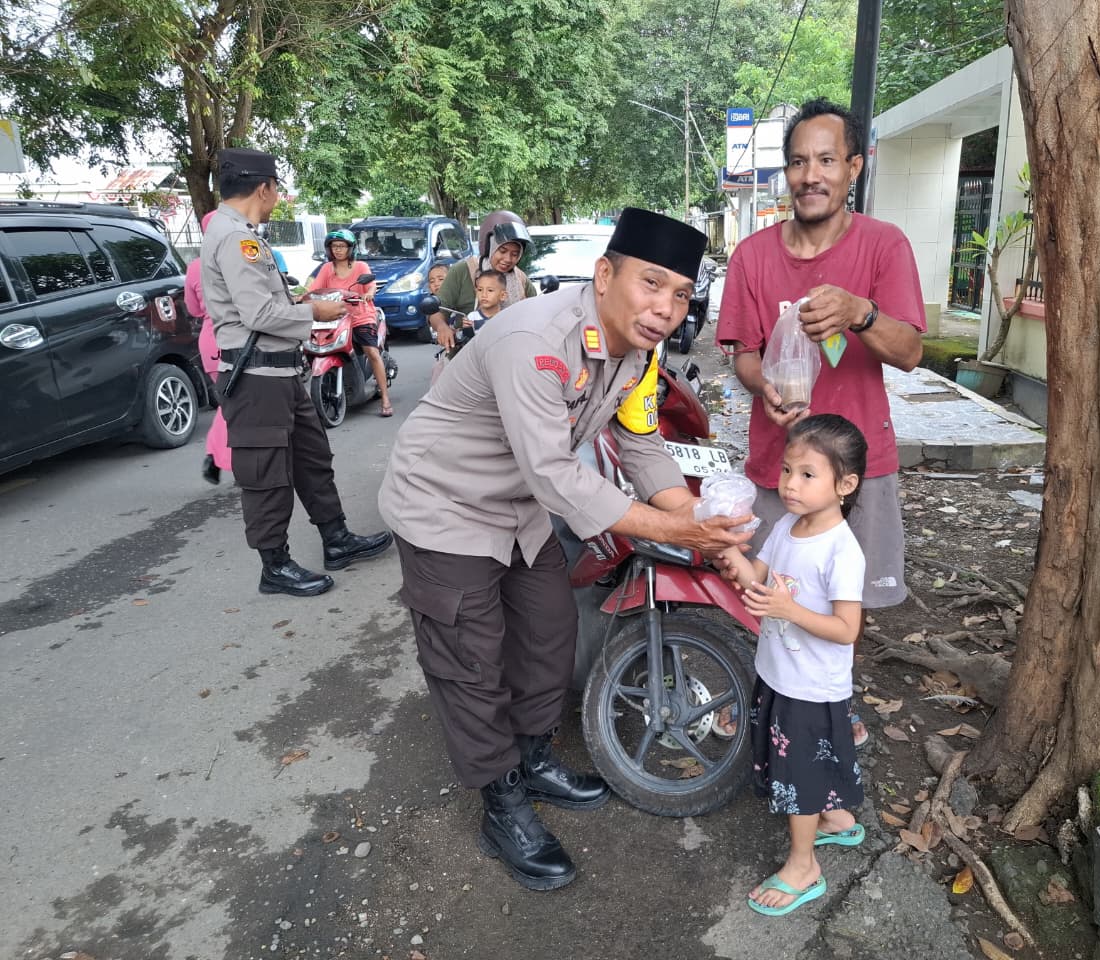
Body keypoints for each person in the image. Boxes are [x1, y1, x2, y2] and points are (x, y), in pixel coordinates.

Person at [379, 207, 754, 893]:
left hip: (517, 506)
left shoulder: (638, 352)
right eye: (651, 284)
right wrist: (677, 531)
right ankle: (501, 803)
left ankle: (531, 757)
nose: (666, 309)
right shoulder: (537, 340)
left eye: (680, 294)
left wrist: (700, 520)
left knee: (549, 633)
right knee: (472, 661)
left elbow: (640, 443)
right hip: (445, 506)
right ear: (605, 275)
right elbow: (555, 473)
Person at [716, 98, 926, 746]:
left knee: (844, 598)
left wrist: (861, 313)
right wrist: (765, 387)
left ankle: (835, 704)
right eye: (800, 162)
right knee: (765, 587)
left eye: (827, 160)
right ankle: (761, 698)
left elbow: (910, 352)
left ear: (853, 168)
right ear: (787, 172)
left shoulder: (884, 246)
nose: (812, 175)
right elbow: (743, 353)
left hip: (858, 470)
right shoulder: (752, 256)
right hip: (778, 464)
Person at [201, 147, 393, 597]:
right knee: (267, 474)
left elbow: (264, 302)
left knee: (312, 459)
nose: (276, 197)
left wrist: (301, 302)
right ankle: (275, 566)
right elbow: (259, 314)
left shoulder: (242, 234)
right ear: (264, 188)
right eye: (276, 189)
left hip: (282, 374)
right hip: (257, 378)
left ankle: (336, 539)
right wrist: (314, 312)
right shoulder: (236, 238)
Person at [718, 414, 868, 917]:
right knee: (809, 762)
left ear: (845, 485)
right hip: (779, 673)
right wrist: (728, 550)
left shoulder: (842, 551)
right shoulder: (786, 526)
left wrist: (790, 610)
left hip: (811, 687)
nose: (789, 484)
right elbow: (757, 581)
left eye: (807, 474)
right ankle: (836, 819)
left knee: (799, 774)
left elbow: (847, 629)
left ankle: (803, 867)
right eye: (786, 470)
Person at [308, 228, 394, 417]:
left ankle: (385, 398)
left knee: (372, 352)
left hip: (360, 316)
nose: (338, 249)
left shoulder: (360, 266)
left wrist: (368, 293)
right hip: (335, 317)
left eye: (342, 246)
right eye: (334, 246)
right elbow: (314, 289)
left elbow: (371, 285)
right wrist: (302, 297)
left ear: (350, 248)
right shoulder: (326, 269)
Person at [428, 210, 536, 351]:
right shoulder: (463, 271)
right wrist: (442, 327)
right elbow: (437, 310)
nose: (508, 259)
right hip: (467, 352)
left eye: (515, 254)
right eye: (502, 251)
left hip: (512, 352)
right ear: (489, 246)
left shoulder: (520, 279)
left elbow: (536, 313)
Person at [185, 211, 231, 485]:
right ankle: (218, 455)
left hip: (210, 341)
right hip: (236, 338)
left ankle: (221, 455)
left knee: (230, 401)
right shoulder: (238, 260)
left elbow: (192, 309)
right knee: (238, 402)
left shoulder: (195, 267)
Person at [450, 268, 506, 353]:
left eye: (490, 290)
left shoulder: (506, 317)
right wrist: (466, 330)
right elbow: (466, 342)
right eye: (480, 290)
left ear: (502, 295)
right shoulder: (472, 317)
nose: (484, 295)